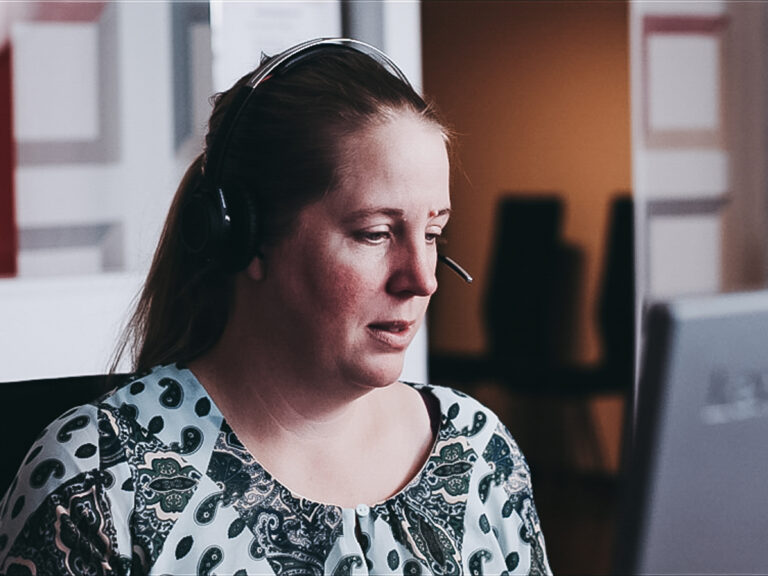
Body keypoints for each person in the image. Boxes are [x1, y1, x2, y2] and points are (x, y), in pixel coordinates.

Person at [0, 38, 550, 576]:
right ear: (249, 237)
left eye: (432, 234)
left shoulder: (478, 450)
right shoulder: (98, 479)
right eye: (375, 233)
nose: (423, 279)